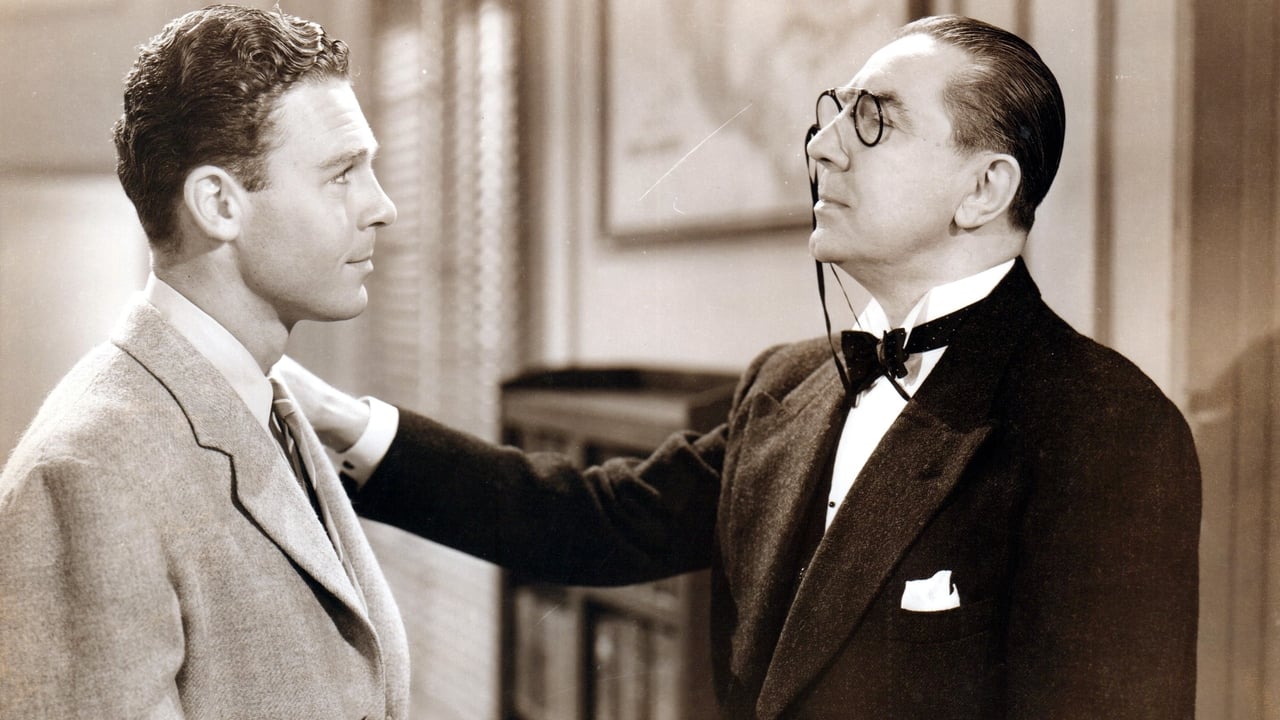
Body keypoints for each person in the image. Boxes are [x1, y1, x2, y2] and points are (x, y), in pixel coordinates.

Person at [285, 14, 1201, 719]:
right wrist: (345, 424)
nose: (823, 145)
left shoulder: (1105, 429)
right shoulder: (785, 385)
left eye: (874, 120)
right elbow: (594, 522)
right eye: (834, 112)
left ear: (984, 189)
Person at [0, 6, 408, 718]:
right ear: (219, 204)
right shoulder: (88, 473)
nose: (383, 207)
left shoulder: (266, 406)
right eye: (343, 173)